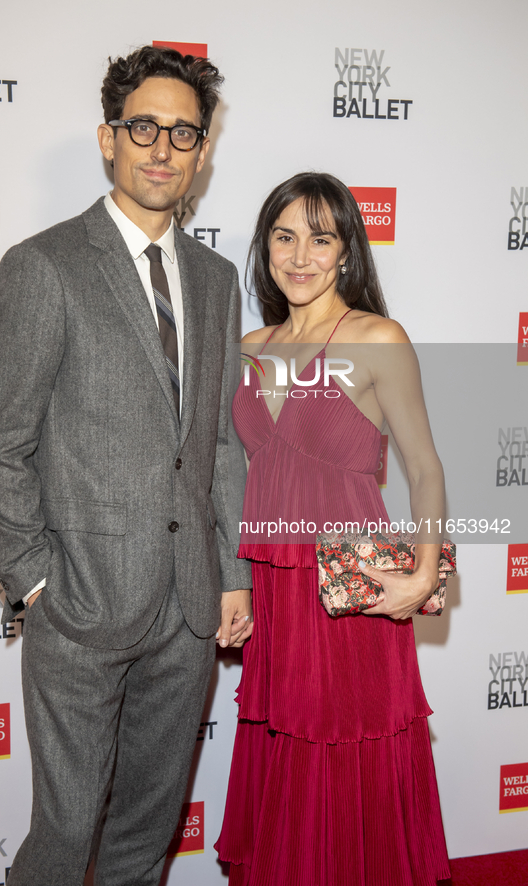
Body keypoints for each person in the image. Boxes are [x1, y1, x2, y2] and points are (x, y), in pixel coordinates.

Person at [0, 45, 252, 886]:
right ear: (108, 138)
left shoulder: (214, 278)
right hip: (80, 605)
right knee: (63, 839)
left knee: (146, 836)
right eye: (143, 127)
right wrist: (33, 581)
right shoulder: (44, 265)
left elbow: (223, 442)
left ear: (202, 152)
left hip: (190, 606)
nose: (161, 147)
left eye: (182, 132)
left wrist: (233, 571)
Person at [215, 172, 450, 885]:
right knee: (287, 757)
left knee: (347, 756)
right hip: (276, 592)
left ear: (345, 250)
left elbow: (424, 467)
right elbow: (229, 475)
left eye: (320, 238)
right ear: (265, 249)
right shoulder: (249, 345)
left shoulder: (377, 338)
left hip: (349, 588)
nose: (299, 256)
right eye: (283, 236)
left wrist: (424, 571)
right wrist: (233, 585)